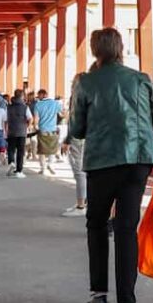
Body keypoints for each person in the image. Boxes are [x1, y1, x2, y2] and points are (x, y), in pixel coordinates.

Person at [69, 28, 153, 303]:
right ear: (121, 48)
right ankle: (128, 302)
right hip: (138, 160)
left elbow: (77, 128)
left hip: (102, 161)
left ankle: (99, 294)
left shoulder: (86, 82)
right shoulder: (141, 80)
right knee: (127, 227)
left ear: (94, 51)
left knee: (97, 223)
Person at [60, 73, 87, 217]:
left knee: (79, 171)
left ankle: (81, 205)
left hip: (78, 138)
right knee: (84, 171)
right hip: (87, 137)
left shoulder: (77, 97)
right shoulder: (91, 95)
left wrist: (67, 140)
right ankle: (82, 203)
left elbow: (76, 121)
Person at [32, 88, 62, 175]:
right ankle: (50, 165)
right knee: (52, 149)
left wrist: (35, 127)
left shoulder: (38, 105)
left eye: (39, 96)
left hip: (42, 129)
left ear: (42, 95)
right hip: (53, 129)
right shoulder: (55, 103)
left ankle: (43, 168)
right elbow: (61, 114)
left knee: (42, 150)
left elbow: (36, 119)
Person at [5, 88, 32, 178]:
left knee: (11, 149)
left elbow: (5, 120)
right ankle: (19, 171)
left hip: (11, 131)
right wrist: (27, 126)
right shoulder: (25, 107)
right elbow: (30, 118)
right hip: (21, 132)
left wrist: (6, 130)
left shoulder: (9, 107)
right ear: (22, 96)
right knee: (20, 152)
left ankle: (11, 162)